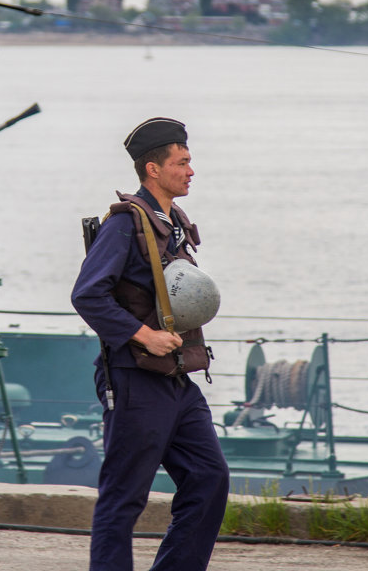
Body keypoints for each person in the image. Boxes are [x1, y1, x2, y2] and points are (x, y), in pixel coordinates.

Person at [70, 117, 230, 571]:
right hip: (135, 378)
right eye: (182, 162)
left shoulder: (172, 220)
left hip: (176, 379)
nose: (191, 170)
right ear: (153, 169)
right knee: (124, 496)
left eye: (190, 161)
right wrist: (144, 335)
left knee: (209, 478)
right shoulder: (125, 224)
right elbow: (87, 294)